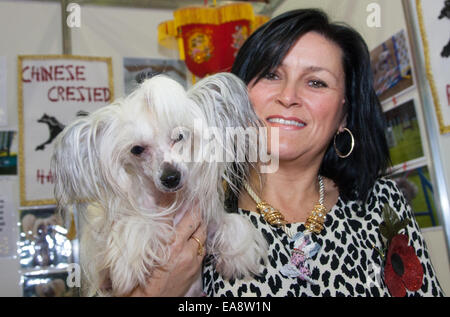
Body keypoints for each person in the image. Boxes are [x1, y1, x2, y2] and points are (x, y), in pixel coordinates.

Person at [202, 9, 445, 297]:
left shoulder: (382, 204)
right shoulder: (199, 217)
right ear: (238, 94)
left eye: (316, 82)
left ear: (344, 115)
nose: (288, 96)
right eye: (271, 74)